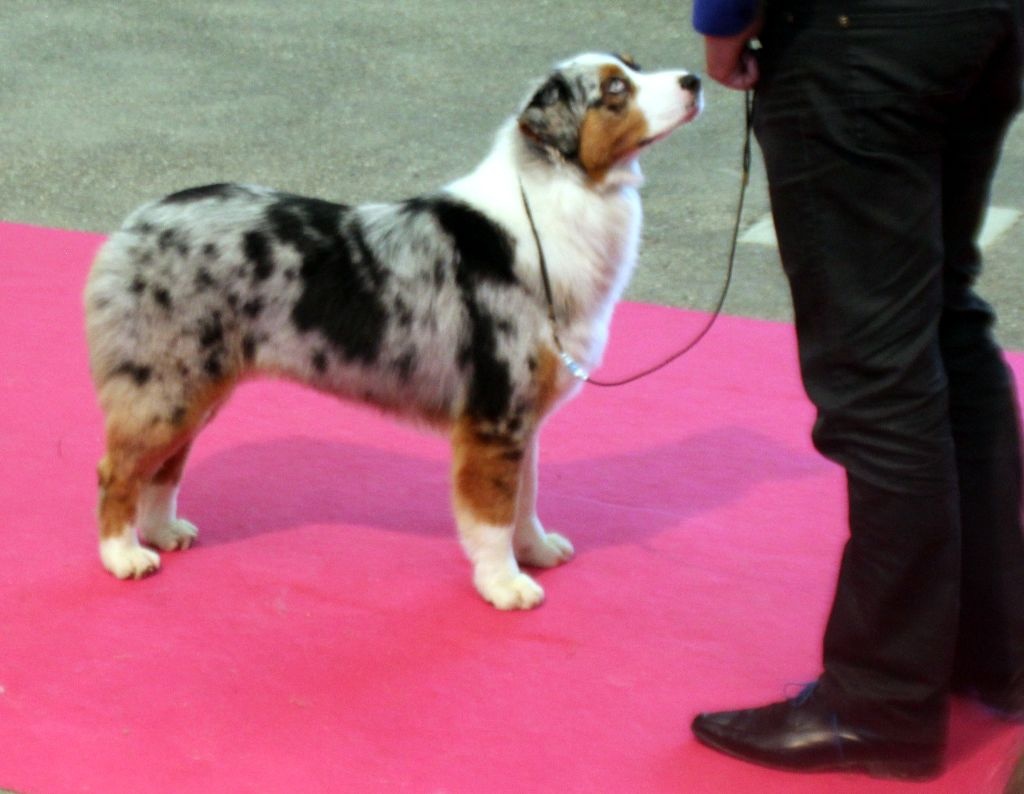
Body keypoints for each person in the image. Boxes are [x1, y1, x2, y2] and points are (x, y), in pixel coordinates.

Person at [689, 0, 1024, 780]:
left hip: (857, 31)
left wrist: (724, 17)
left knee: (876, 368)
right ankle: (990, 644)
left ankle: (881, 703)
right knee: (943, 317)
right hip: (981, 22)